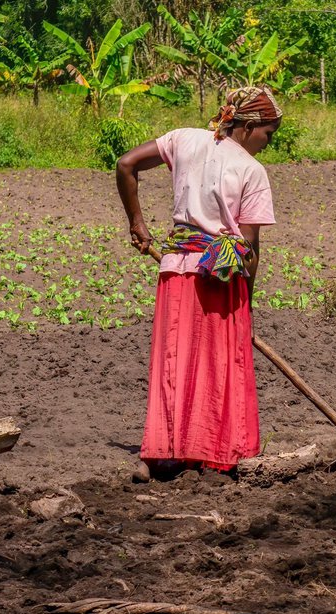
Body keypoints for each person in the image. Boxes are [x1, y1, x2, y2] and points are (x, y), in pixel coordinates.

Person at [115, 86, 282, 482]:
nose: (268, 144)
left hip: (175, 271)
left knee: (173, 362)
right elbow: (250, 247)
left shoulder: (183, 139)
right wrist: (248, 305)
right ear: (248, 125)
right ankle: (219, 451)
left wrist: (137, 224)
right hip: (221, 278)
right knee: (221, 366)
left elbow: (126, 165)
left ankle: (159, 454)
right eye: (268, 134)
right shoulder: (251, 171)